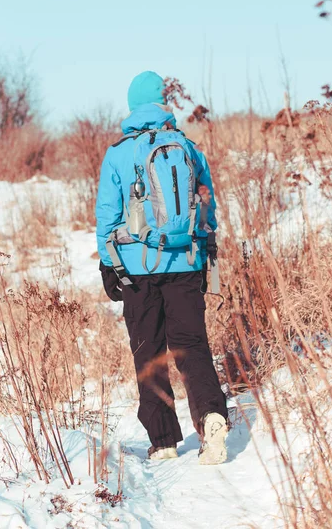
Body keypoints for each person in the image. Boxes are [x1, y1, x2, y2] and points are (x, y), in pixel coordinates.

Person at [96, 71, 228, 464]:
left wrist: (109, 265)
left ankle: (164, 440)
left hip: (138, 270)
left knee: (147, 351)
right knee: (192, 346)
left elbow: (106, 216)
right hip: (185, 261)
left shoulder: (118, 152)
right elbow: (208, 208)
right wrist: (206, 251)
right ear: (163, 103)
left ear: (133, 106)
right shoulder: (188, 148)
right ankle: (211, 416)